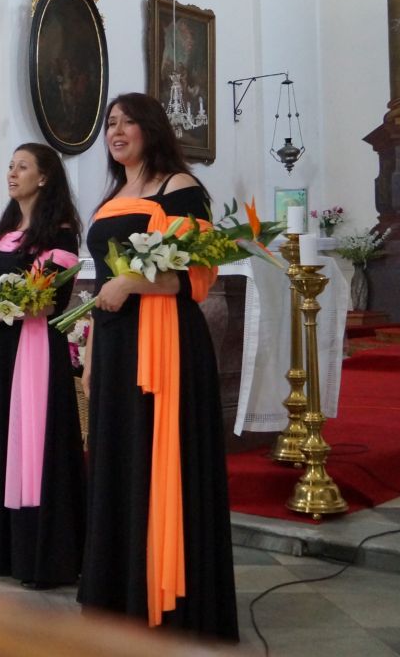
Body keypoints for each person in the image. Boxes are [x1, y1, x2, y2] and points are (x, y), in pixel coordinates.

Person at [78, 93, 238, 641]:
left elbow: (195, 276)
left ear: (152, 128)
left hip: (165, 342)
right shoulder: (112, 196)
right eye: (110, 123)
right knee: (119, 461)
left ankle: (168, 596)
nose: (116, 131)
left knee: (159, 459)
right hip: (115, 346)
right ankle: (121, 593)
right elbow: (102, 286)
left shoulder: (181, 188)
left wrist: (131, 284)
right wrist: (91, 357)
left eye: (128, 122)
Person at [0, 143, 85, 586]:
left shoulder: (60, 234)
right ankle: (2, 548)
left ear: (44, 177)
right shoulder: (7, 231)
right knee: (0, 439)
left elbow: (50, 301)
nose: (12, 173)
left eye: (22, 167)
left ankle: (38, 552)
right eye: (10, 166)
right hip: (0, 352)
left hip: (34, 349)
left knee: (33, 443)